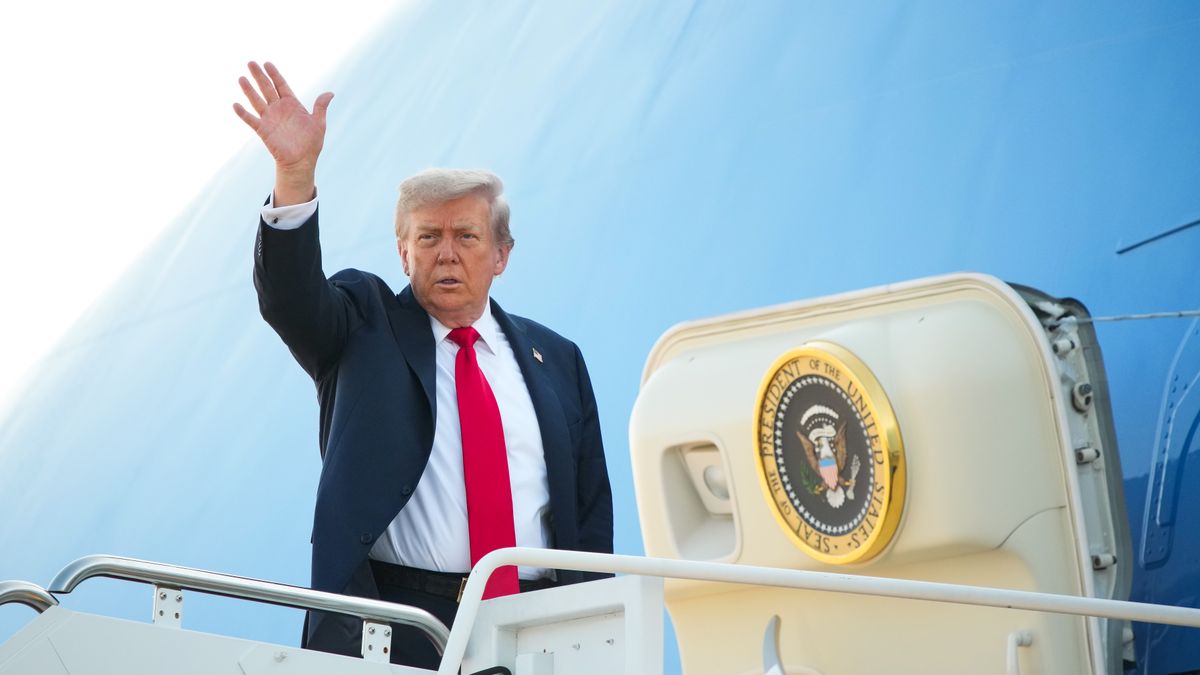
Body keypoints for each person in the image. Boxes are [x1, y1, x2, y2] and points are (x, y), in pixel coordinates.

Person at [233, 61, 613, 669]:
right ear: (402, 250)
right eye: (428, 237)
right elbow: (292, 300)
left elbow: (589, 515)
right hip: (400, 624)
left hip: (539, 625)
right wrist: (294, 173)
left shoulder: (558, 360)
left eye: (466, 236)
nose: (447, 254)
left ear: (501, 255)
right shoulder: (363, 324)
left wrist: (595, 635)